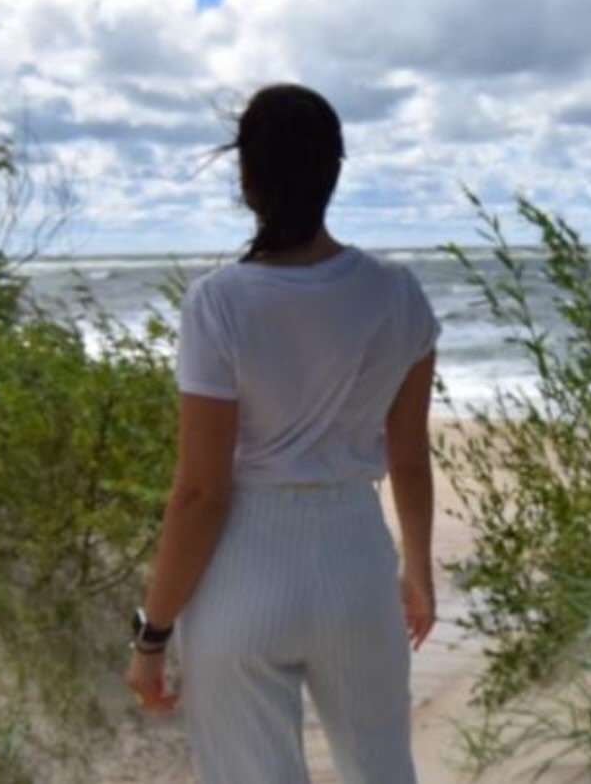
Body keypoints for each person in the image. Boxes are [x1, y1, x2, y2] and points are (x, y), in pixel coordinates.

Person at [124, 83, 441, 784]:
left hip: (245, 570)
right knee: (382, 771)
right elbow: (408, 454)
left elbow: (201, 492)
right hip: (356, 563)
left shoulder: (219, 301)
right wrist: (417, 570)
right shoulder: (398, 293)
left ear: (248, 178)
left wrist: (153, 634)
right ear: (334, 171)